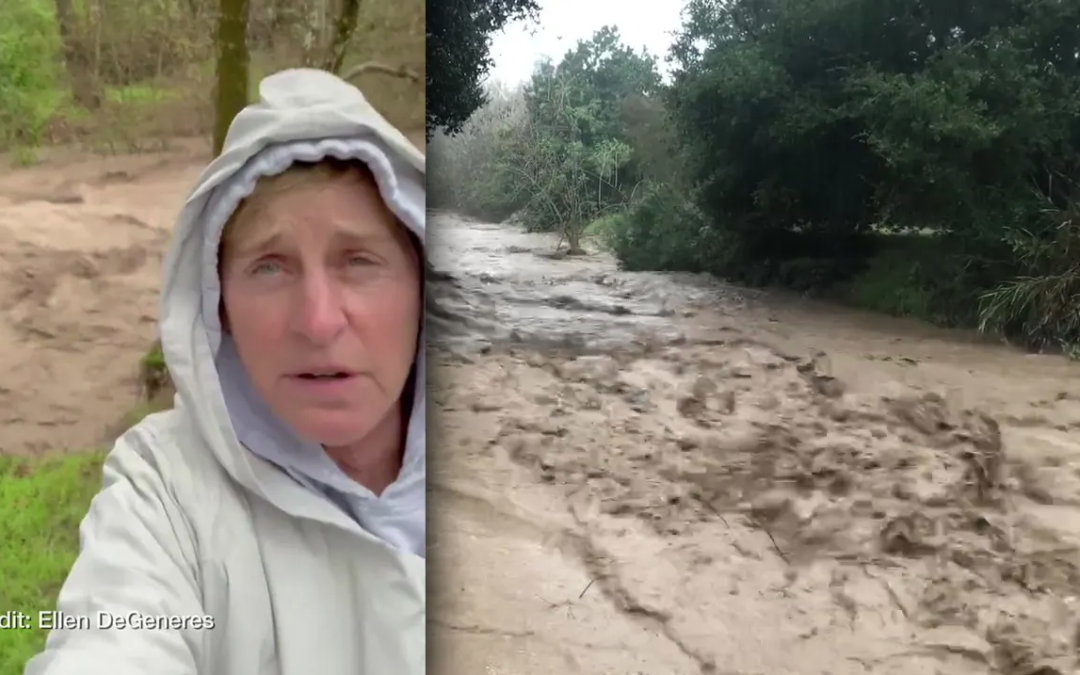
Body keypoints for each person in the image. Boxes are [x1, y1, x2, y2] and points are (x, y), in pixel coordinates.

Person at [22, 68, 425, 675]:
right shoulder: (164, 489)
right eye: (269, 267)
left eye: (359, 261)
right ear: (220, 307)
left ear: (424, 287)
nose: (317, 322)